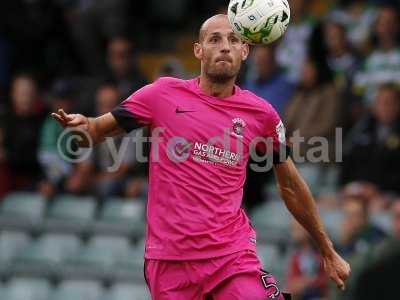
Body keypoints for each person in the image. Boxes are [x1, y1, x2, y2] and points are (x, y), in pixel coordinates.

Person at [52, 14, 350, 299]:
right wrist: (83, 126)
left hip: (232, 257)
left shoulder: (262, 115)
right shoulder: (161, 94)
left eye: (234, 40)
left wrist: (326, 248)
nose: (224, 46)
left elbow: (290, 186)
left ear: (245, 51)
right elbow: (97, 129)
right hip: (169, 261)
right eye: (215, 39)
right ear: (198, 50)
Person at [341, 84, 400, 193]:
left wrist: (379, 188)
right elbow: (349, 163)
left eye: (389, 102)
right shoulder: (362, 129)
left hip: (390, 194)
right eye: (380, 102)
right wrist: (351, 185)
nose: (385, 107)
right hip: (359, 190)